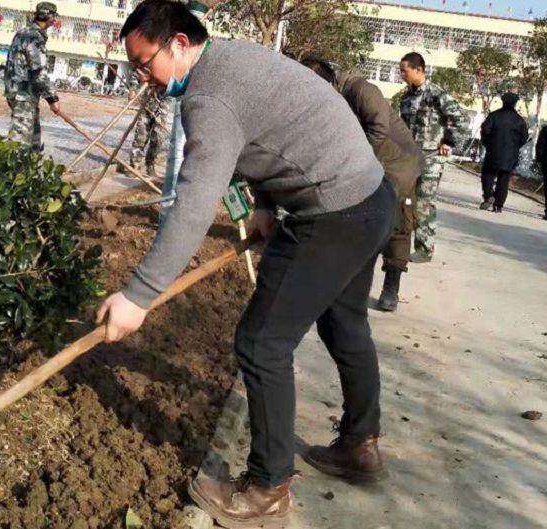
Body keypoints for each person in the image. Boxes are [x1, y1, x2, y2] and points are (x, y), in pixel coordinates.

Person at [98, 2, 394, 527]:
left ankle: (267, 487)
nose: (142, 77)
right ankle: (359, 445)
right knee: (345, 321)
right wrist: (261, 204)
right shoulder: (233, 60)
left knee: (261, 344)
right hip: (370, 199)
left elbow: (193, 202)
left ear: (181, 44)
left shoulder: (209, 98)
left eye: (146, 63)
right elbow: (266, 133)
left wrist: (139, 295)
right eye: (135, 67)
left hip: (332, 214)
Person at [302, 58, 423, 312]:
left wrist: (354, 163)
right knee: (357, 220)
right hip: (369, 163)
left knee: (397, 223)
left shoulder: (362, 91)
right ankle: (346, 283)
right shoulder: (329, 100)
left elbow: (379, 128)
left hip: (397, 163)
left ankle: (391, 286)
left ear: (329, 82)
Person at [399, 52, 465, 263]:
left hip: (431, 158)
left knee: (424, 203)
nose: (402, 75)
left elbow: (460, 119)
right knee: (406, 201)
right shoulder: (407, 97)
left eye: (404, 71)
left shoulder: (437, 95)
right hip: (410, 157)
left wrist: (449, 141)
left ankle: (424, 248)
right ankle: (400, 243)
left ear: (418, 70)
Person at [3, 1, 61, 151]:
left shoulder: (22, 32)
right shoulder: (34, 37)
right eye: (54, 16)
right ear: (48, 17)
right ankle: (12, 173)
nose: (55, 20)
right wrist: (52, 99)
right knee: (19, 144)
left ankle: (30, 170)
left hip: (17, 91)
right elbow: (38, 71)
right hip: (23, 94)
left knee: (33, 139)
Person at [479, 93, 529, 213]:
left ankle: (488, 195)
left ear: (503, 101)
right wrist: (515, 147)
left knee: (488, 174)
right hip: (510, 154)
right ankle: (498, 205)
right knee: (504, 179)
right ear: (515, 104)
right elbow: (524, 137)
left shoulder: (494, 116)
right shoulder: (519, 120)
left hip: (493, 151)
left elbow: (485, 131)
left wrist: (488, 144)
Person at [128, 87, 171, 177]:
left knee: (158, 139)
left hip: (163, 109)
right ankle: (134, 165)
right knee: (140, 137)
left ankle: (150, 164)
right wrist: (133, 88)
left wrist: (161, 113)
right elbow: (139, 75)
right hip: (146, 105)